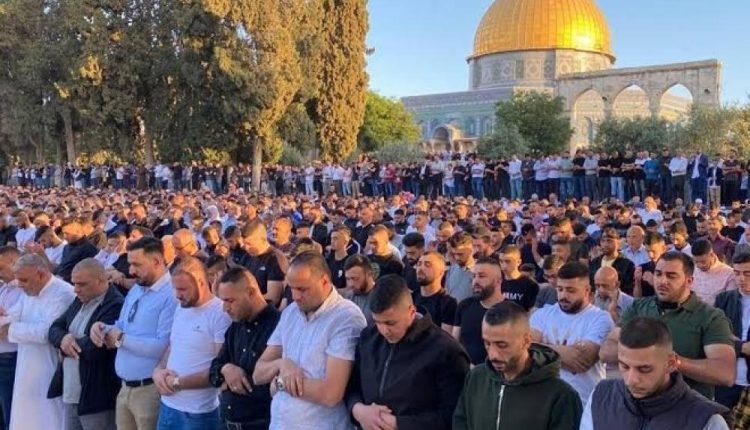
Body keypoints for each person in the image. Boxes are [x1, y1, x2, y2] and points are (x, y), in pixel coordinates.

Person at [252, 251, 367, 430]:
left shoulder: (346, 317)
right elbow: (258, 374)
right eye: (291, 288)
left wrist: (280, 383)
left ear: (324, 282)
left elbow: (331, 393)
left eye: (302, 289)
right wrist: (282, 364)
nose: (295, 296)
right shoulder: (291, 312)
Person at [600, 251, 736, 400]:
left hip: (686, 407)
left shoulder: (710, 317)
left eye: (671, 276)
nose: (662, 281)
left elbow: (725, 373)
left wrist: (675, 362)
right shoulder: (638, 307)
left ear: (689, 281)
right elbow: (606, 351)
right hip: (637, 404)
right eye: (658, 274)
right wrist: (652, 356)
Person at [346, 275, 469, 430]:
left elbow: (455, 416)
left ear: (411, 312)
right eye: (377, 322)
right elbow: (351, 385)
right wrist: (358, 410)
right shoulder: (368, 338)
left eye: (391, 323)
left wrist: (399, 424)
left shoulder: (446, 351)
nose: (384, 330)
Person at [89, 237, 178, 430]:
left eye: (137, 265)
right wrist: (103, 328)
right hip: (125, 388)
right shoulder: (138, 288)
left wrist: (121, 339)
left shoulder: (171, 295)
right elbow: (122, 324)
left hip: (150, 391)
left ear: (156, 261)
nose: (130, 271)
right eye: (130, 264)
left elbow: (163, 346)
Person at [580, 317, 729, 430]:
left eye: (644, 369)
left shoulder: (707, 421)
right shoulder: (601, 396)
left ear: (671, 363)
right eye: (624, 366)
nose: (631, 380)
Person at [453, 301, 582, 430]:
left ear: (526, 341)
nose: (492, 355)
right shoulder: (475, 379)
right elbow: (461, 422)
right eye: (487, 343)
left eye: (502, 345)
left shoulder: (561, 395)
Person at [152, 257, 231, 430]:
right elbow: (173, 346)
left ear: (201, 283)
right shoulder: (181, 307)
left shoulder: (220, 313)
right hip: (168, 406)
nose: (177, 295)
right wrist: (158, 370)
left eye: (183, 289)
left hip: (198, 413)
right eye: (175, 289)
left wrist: (177, 383)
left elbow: (219, 369)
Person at [48, 259, 124, 430]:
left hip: (96, 398)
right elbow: (55, 327)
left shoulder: (116, 304)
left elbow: (97, 347)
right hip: (71, 392)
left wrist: (65, 348)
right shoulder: (80, 299)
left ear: (101, 280)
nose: (76, 289)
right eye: (74, 283)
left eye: (82, 284)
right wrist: (63, 339)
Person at [4, 253, 75, 430]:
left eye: (24, 280)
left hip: (50, 366)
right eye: (18, 280)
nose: (19, 285)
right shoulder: (28, 291)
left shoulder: (63, 293)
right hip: (26, 364)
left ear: (41, 274)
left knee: (50, 416)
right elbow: (14, 314)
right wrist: (4, 318)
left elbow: (47, 331)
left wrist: (10, 329)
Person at [530, 261, 614, 403]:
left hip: (584, 402)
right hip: (546, 402)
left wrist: (540, 349)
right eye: (560, 289)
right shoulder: (543, 314)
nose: (563, 295)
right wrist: (565, 352)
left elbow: (581, 360)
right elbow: (526, 349)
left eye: (571, 290)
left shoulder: (601, 319)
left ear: (587, 290)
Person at [210, 268, 280, 430]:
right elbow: (213, 371)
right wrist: (226, 369)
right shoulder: (235, 327)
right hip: (226, 423)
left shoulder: (279, 327)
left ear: (251, 293)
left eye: (230, 301)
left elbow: (272, 386)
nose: (225, 308)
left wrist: (234, 382)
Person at [714, 253, 750, 419]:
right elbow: (716, 337)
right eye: (737, 273)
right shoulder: (723, 300)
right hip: (727, 380)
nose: (741, 278)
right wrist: (742, 347)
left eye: (747, 273)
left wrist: (731, 341)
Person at [453, 257, 504, 366]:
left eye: (481, 276)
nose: (475, 281)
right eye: (474, 276)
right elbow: (454, 343)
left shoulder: (511, 312)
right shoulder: (465, 305)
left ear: (498, 281)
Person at [236, 220, 286, 306]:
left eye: (249, 243)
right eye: (244, 243)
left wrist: (244, 301)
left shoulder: (275, 259)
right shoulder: (247, 256)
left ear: (262, 239)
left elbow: (273, 297)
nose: (246, 247)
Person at [0, 247, 22, 429]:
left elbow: (10, 324)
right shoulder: (3, 288)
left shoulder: (23, 290)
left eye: (0, 267)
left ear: (14, 263)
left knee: (9, 407)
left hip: (9, 357)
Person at [414, 252, 456, 332]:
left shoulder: (448, 303)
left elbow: (446, 337)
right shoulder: (411, 298)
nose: (420, 268)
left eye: (427, 265)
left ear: (441, 272)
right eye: (419, 264)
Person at [588, 226, 635, 295]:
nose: (605, 244)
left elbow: (629, 291)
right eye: (603, 241)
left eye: (609, 241)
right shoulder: (594, 263)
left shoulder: (627, 265)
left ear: (618, 242)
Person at [691, 239, 737, 306]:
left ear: (712, 255)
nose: (699, 266)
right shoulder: (691, 269)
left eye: (703, 262)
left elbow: (730, 303)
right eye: (696, 262)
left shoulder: (729, 274)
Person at [498, 245, 539, 311]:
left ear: (518, 262)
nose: (504, 266)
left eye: (508, 261)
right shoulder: (496, 282)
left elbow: (532, 311)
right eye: (501, 261)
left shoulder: (530, 285)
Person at [343, 254, 376, 324]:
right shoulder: (349, 297)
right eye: (348, 279)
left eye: (355, 279)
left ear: (369, 274)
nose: (350, 284)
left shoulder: (379, 298)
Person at [445, 232, 475, 302]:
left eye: (460, 254)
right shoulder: (452, 269)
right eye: (454, 254)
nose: (457, 257)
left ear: (471, 250)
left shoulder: (479, 272)